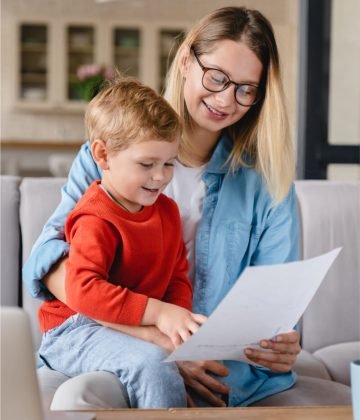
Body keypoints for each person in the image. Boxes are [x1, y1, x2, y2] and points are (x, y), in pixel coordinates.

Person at [24, 6, 302, 408]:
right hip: (121, 340)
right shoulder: (109, 157)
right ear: (187, 61)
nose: (226, 99)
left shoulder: (268, 184)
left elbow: (273, 307)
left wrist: (279, 344)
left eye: (245, 89)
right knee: (87, 393)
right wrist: (162, 336)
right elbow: (50, 262)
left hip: (218, 364)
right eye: (217, 77)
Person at [37, 75, 208, 408]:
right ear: (102, 155)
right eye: (147, 164)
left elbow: (176, 276)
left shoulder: (168, 212)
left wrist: (177, 325)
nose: (160, 177)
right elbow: (84, 291)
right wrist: (158, 314)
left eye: (168, 164)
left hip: (125, 325)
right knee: (153, 365)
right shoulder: (94, 217)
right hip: (74, 329)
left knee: (171, 362)